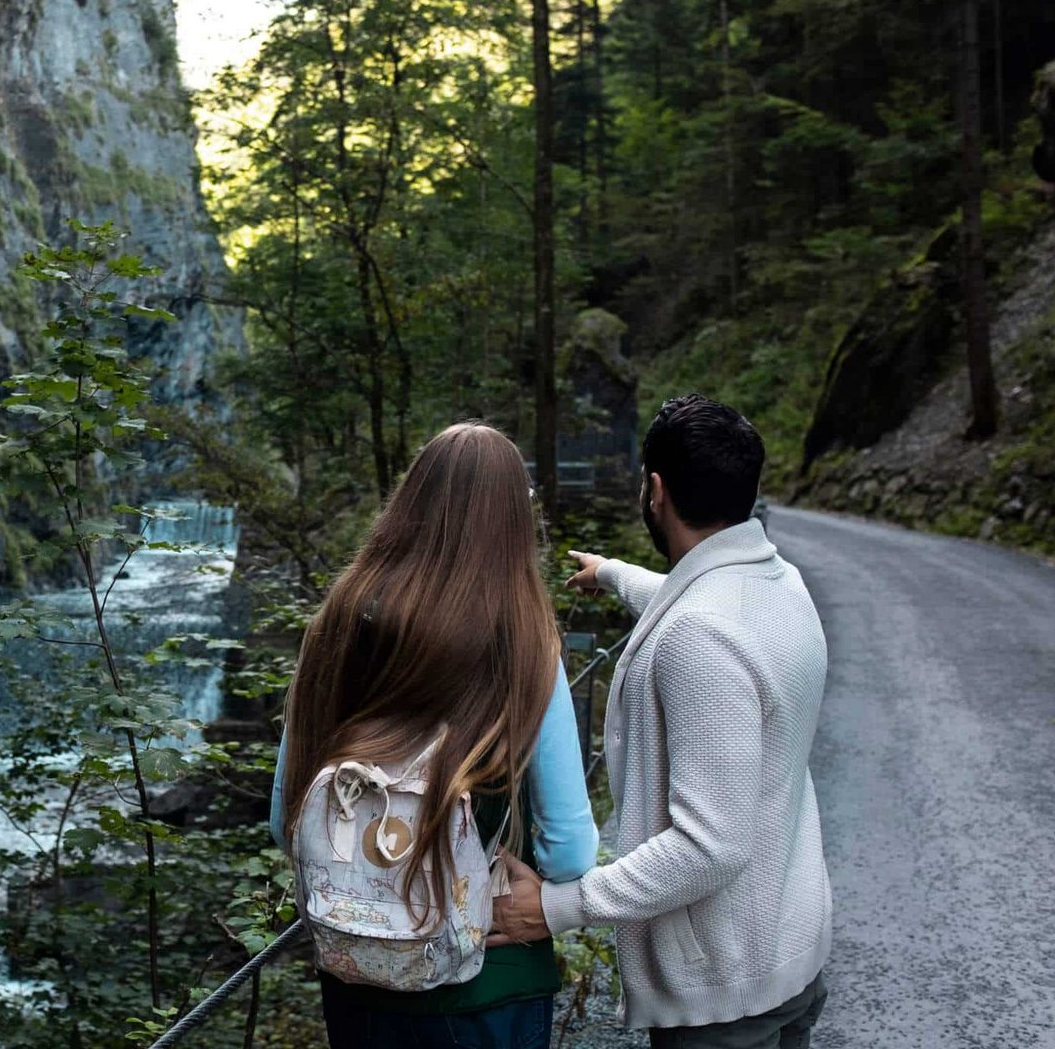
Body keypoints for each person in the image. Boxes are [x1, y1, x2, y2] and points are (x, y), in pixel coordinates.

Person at [489, 395, 833, 1049]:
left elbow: (710, 846)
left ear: (655, 491)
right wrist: (614, 575)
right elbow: (698, 601)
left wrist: (560, 908)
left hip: (726, 1000)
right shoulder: (778, 584)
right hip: (788, 951)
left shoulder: (699, 639)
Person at [270, 422, 599, 1048]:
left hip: (359, 970)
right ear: (513, 526)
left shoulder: (334, 627)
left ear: (407, 505)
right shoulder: (526, 646)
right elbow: (570, 853)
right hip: (488, 981)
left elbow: (284, 815)